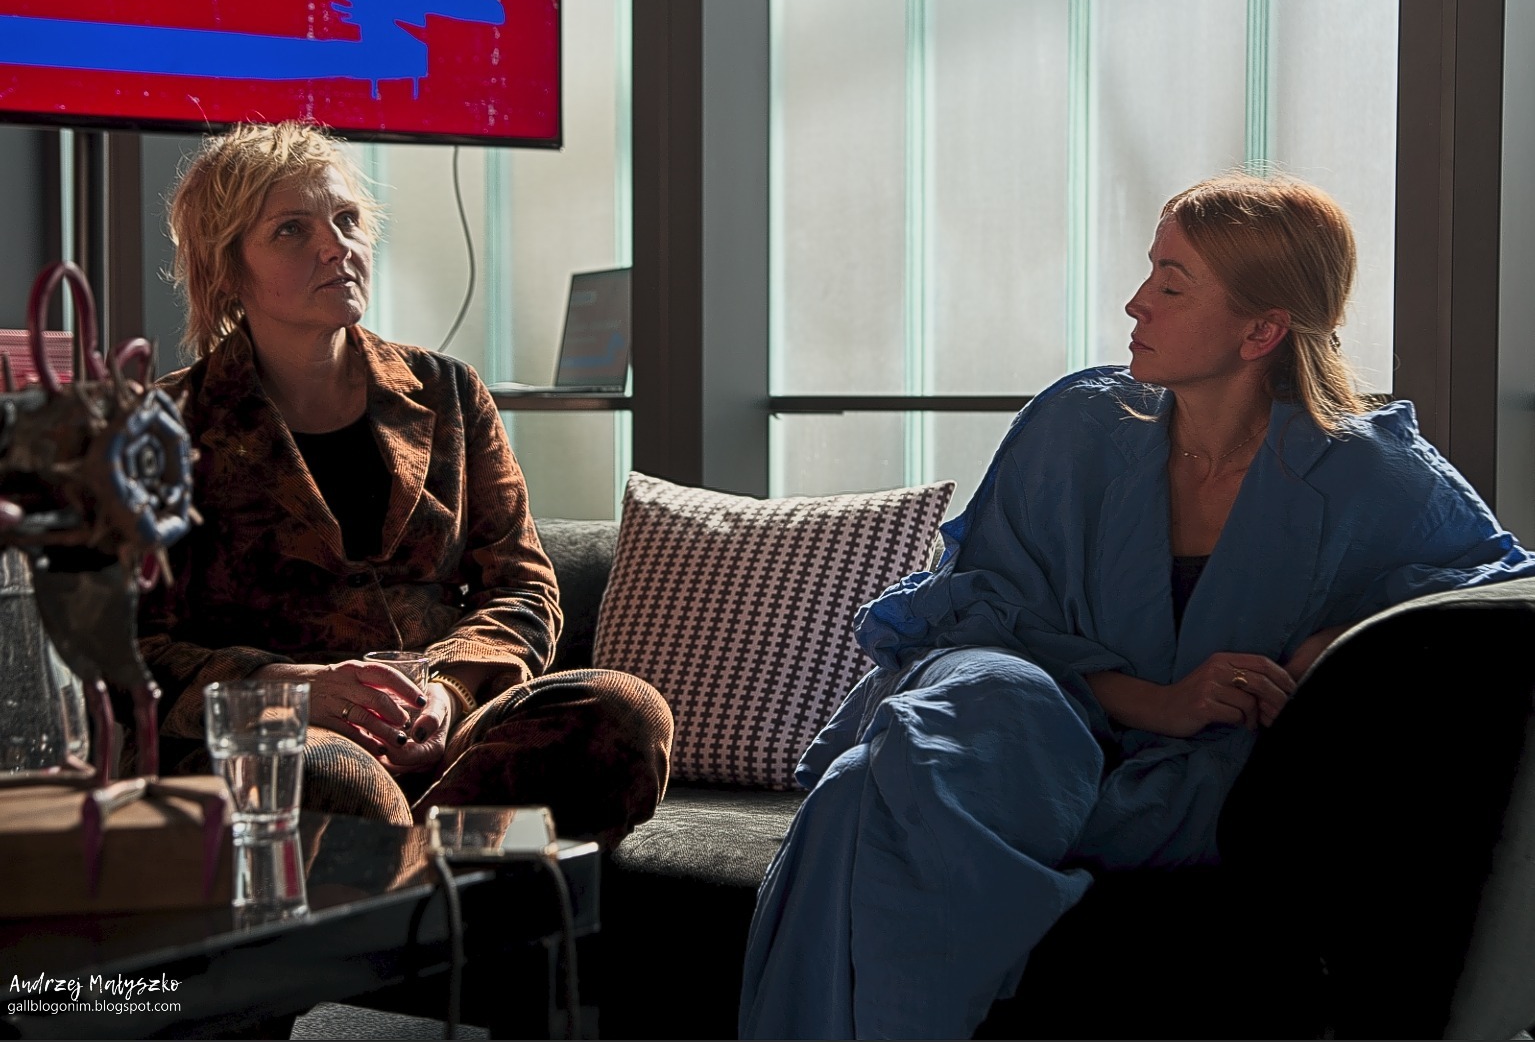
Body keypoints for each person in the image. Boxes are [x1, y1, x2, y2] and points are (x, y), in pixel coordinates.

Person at [737, 172, 1535, 1038]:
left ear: (1260, 330)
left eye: (1171, 284)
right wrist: (1153, 699)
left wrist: (1337, 648)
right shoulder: (1076, 422)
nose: (1134, 302)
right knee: (976, 701)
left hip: (1198, 780)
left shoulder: (1371, 472)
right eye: (1151, 269)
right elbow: (971, 604)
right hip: (1024, 736)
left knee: (865, 791)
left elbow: (1497, 595)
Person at [138, 120, 672, 847]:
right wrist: (295, 690)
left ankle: (421, 866)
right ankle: (466, 867)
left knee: (622, 715)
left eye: (347, 219)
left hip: (444, 731)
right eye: (292, 230)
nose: (337, 246)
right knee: (335, 778)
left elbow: (523, 588)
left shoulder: (447, 392)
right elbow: (134, 647)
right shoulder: (166, 425)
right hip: (284, 740)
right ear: (227, 268)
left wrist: (447, 691)